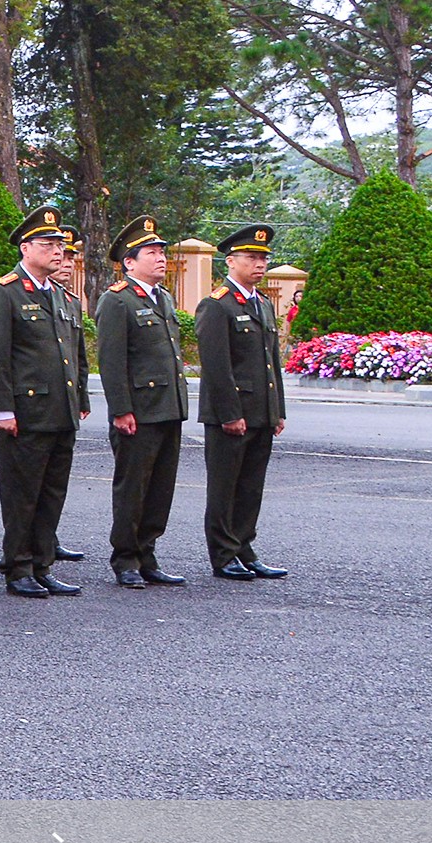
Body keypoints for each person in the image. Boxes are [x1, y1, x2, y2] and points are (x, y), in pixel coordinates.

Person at [0, 204, 90, 599]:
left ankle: (43, 564)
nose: (57, 251)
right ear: (26, 249)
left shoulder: (60, 296)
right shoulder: (5, 292)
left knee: (52, 492)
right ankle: (19, 567)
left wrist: (78, 397)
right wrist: (3, 409)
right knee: (22, 493)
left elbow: (72, 352)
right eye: (48, 243)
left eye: (59, 244)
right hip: (26, 413)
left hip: (59, 411)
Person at [94, 216, 189, 589]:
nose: (161, 258)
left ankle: (148, 553)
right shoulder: (117, 300)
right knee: (133, 487)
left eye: (162, 251)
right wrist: (121, 409)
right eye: (152, 252)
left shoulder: (162, 298)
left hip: (167, 407)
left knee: (160, 487)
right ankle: (126, 558)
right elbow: (112, 360)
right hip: (139, 411)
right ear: (129, 262)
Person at [195, 224, 289, 581]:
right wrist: (230, 413)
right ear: (231, 261)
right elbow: (217, 368)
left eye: (263, 258)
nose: (259, 264)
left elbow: (271, 361)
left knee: (251, 486)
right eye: (251, 257)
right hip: (231, 414)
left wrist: (277, 409)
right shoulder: (217, 306)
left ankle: (245, 546)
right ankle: (223, 554)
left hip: (260, 411)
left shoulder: (262, 303)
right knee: (225, 486)